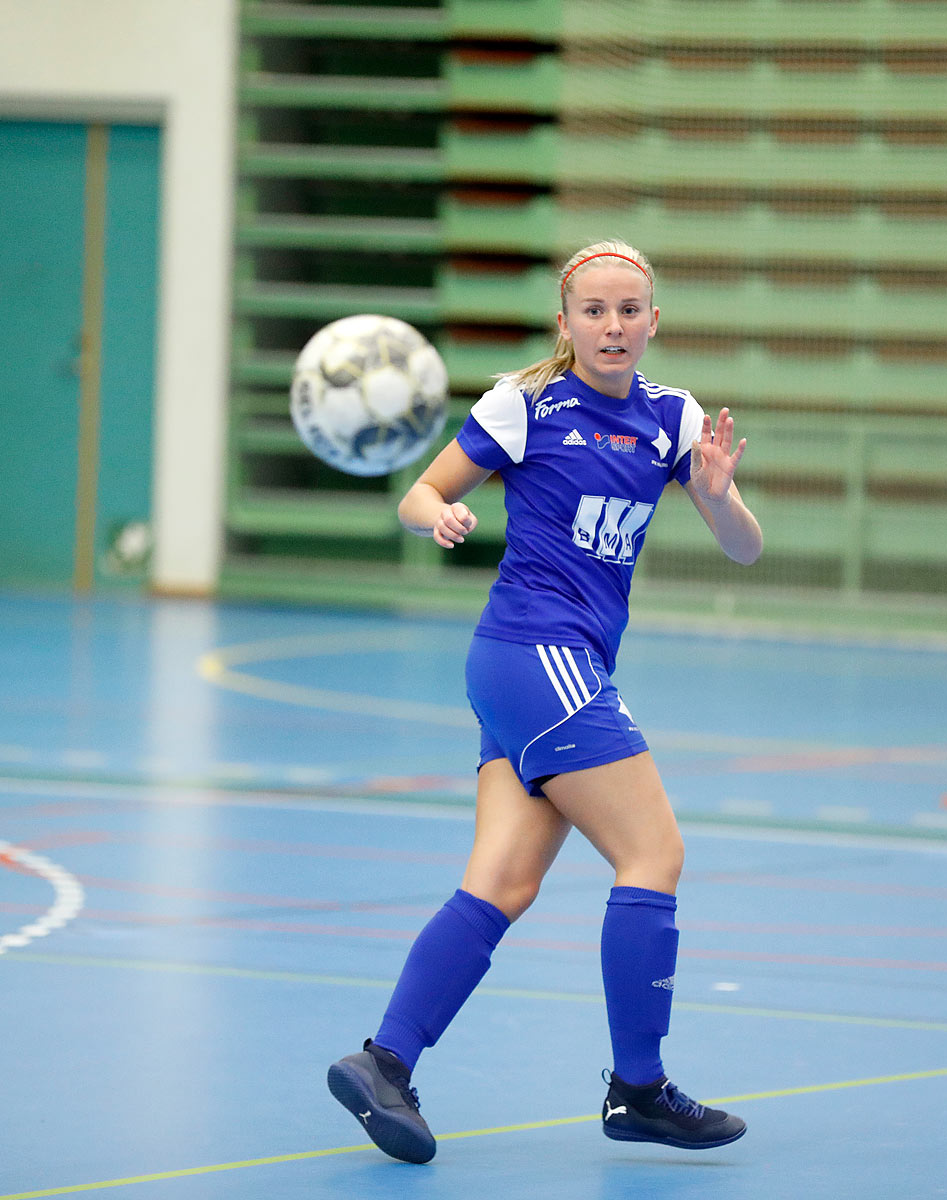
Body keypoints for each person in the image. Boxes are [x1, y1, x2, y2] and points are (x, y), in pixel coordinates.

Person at [326, 240, 762, 1163]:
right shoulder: (525, 408)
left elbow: (745, 548)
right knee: (653, 851)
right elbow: (421, 490)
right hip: (536, 654)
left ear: (653, 322)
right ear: (565, 325)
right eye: (594, 311)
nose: (613, 326)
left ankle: (384, 1063)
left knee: (503, 883)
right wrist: (436, 514)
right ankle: (638, 1089)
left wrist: (719, 498)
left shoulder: (672, 419)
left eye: (629, 310)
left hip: (542, 670)